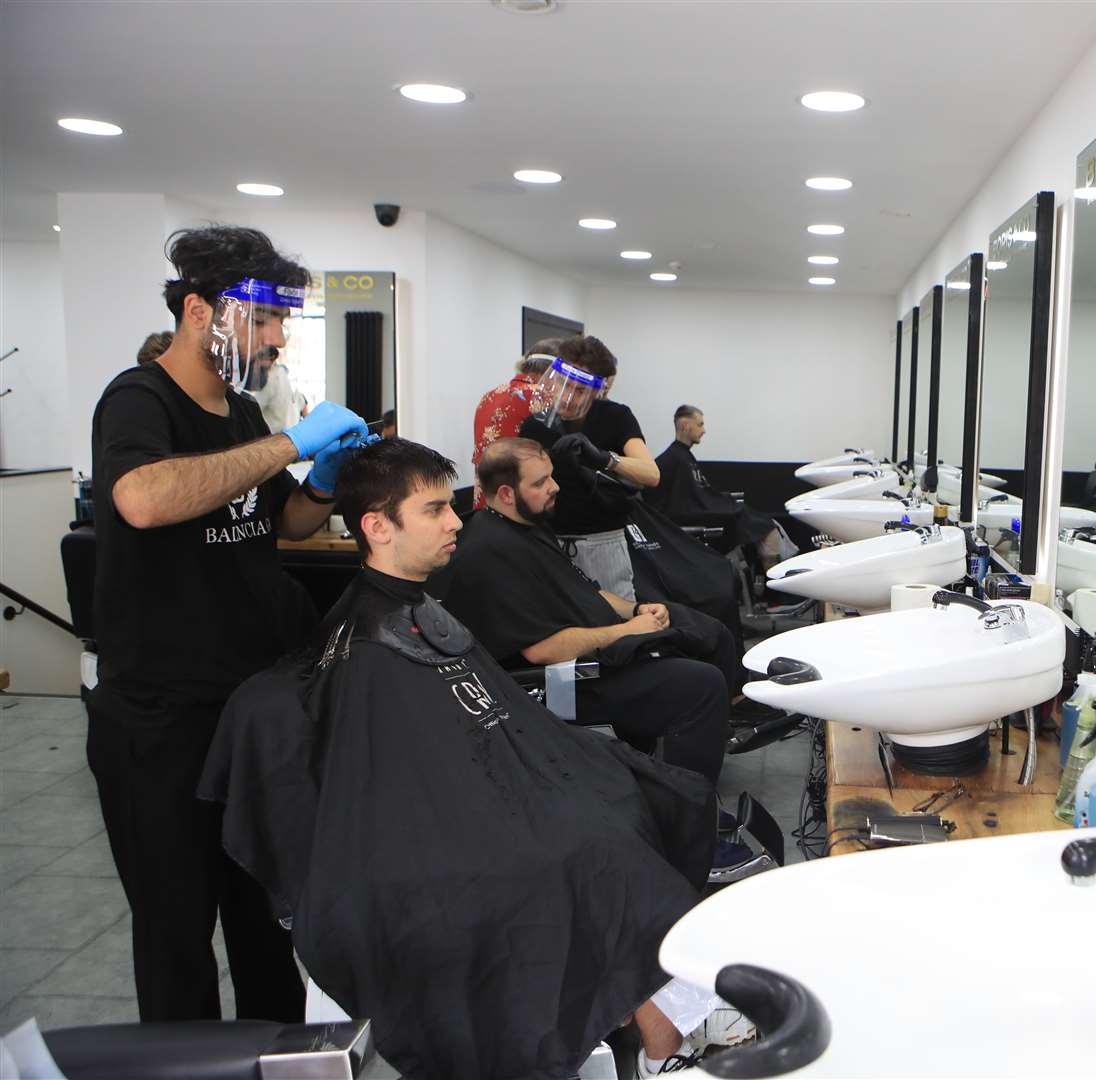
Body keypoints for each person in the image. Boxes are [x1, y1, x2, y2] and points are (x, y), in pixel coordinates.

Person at [199, 437, 708, 1078]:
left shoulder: (417, 607)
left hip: (487, 798)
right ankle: (665, 1044)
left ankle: (666, 1015)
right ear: (377, 527)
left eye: (452, 506)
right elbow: (408, 779)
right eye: (435, 510)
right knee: (598, 852)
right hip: (429, 847)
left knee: (639, 795)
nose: (453, 523)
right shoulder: (366, 646)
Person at [88, 224, 373, 1023]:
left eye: (285, 319)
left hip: (250, 710)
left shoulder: (244, 413)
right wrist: (290, 439)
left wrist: (322, 478)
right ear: (197, 310)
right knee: (177, 929)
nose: (279, 337)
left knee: (263, 918)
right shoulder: (137, 398)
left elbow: (277, 522)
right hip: (161, 717)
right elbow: (144, 500)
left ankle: (275, 1056)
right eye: (264, 316)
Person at [429, 438, 758, 871]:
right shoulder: (489, 550)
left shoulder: (527, 527)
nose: (555, 488)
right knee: (699, 686)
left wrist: (639, 611)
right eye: (541, 481)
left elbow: (585, 590)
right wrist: (626, 631)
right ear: (505, 493)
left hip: (591, 654)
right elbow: (541, 649)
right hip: (555, 683)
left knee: (704, 629)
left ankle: (688, 798)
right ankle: (688, 841)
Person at [518, 335, 659, 599]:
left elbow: (651, 474)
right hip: (550, 544)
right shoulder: (535, 425)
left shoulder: (616, 417)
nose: (569, 397)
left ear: (597, 391)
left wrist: (605, 459)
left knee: (616, 625)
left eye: (580, 390)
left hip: (603, 543)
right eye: (564, 384)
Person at [649, 404, 785, 559]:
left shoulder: (684, 457)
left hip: (700, 513)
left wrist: (724, 502)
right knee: (764, 526)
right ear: (685, 426)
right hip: (686, 521)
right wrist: (724, 505)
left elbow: (698, 495)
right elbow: (686, 503)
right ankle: (770, 572)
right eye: (700, 425)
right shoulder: (673, 460)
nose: (704, 430)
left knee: (765, 524)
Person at [470, 348, 553, 507]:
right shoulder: (541, 396)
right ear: (549, 372)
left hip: (485, 486)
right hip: (517, 491)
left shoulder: (490, 395)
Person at [245, 346, 299, 433]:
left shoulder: (270, 379)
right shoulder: (282, 372)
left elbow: (255, 407)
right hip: (289, 429)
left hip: (274, 434)